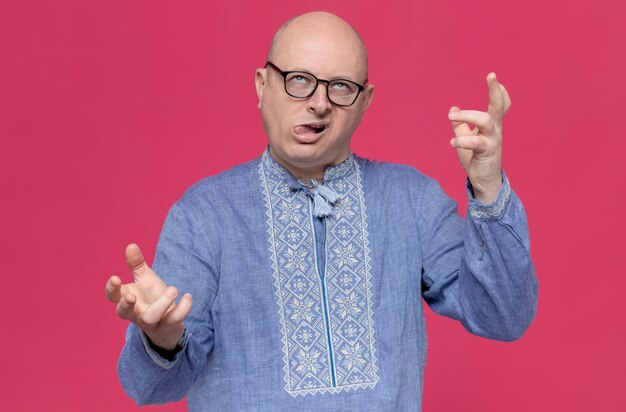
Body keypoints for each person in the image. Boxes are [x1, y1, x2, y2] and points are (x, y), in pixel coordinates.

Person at [106, 11, 538, 411]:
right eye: (298, 80)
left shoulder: (411, 199)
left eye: (340, 87)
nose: (318, 102)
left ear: (365, 101)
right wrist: (161, 338)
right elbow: (150, 387)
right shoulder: (204, 215)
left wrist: (487, 186)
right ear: (262, 85)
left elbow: (504, 316)